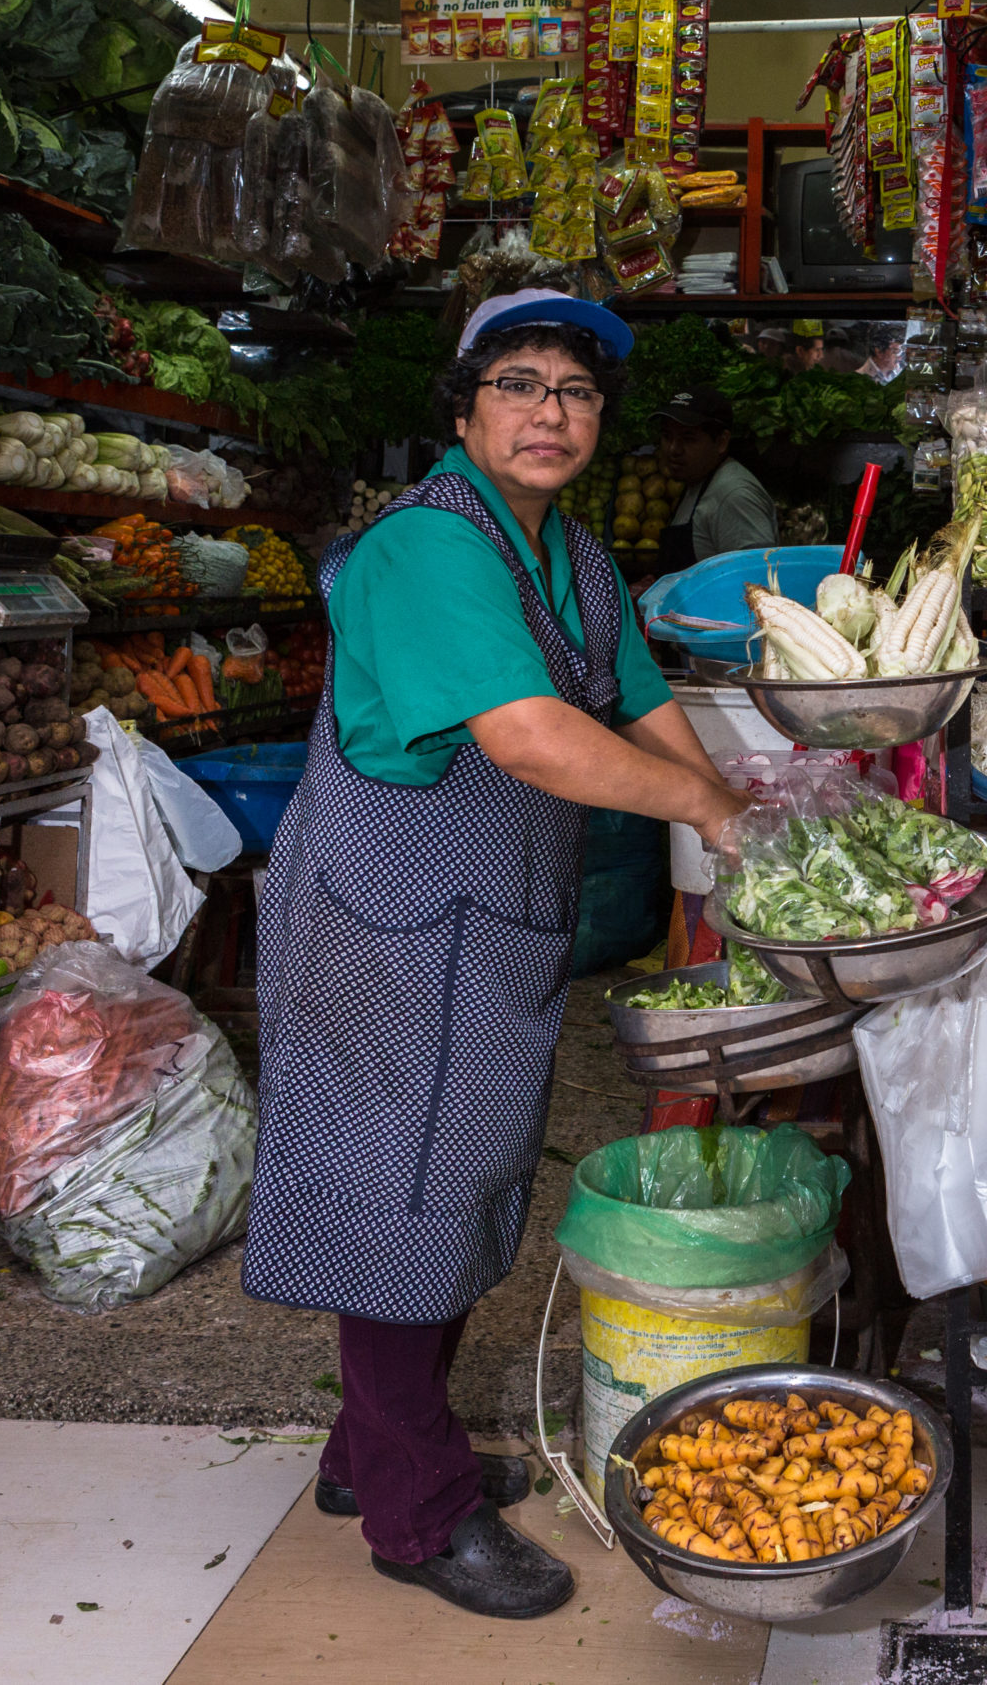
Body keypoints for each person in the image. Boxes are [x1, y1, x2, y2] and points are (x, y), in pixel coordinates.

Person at [243, 289, 752, 1622]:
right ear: (464, 412)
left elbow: (641, 701)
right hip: (386, 922)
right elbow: (531, 735)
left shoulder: (572, 555)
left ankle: (371, 1452)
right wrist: (708, 813)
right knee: (397, 1207)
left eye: (575, 392)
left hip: (491, 927)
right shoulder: (424, 546)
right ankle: (418, 1517)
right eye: (519, 384)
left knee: (456, 1192)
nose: (549, 411)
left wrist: (746, 823)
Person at [651, 384, 780, 570]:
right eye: (667, 436)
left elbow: (758, 578)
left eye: (688, 438)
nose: (673, 449)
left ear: (721, 442)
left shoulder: (735, 497)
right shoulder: (695, 480)